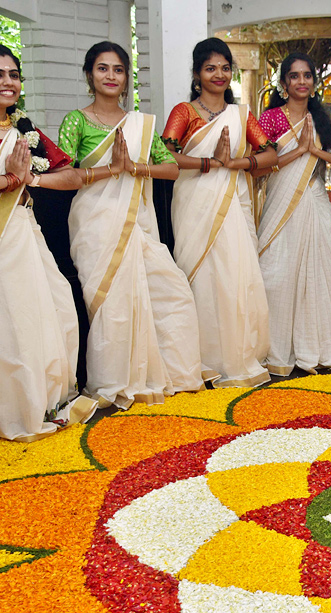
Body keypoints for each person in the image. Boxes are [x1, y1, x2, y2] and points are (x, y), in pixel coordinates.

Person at [0, 43, 97, 440]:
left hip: (23, 231)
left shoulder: (24, 129)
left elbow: (72, 176)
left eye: (13, 75)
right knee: (0, 319)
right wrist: (3, 180)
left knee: (49, 307)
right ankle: (9, 410)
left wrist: (31, 179)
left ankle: (47, 401)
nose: (7, 82)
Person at [58, 41, 207, 408]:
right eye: (102, 68)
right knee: (114, 303)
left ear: (126, 79)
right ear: (90, 75)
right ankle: (115, 381)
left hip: (138, 223)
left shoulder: (139, 124)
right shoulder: (75, 121)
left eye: (118, 70)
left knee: (173, 292)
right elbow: (66, 172)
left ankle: (171, 372)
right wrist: (109, 169)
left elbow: (170, 169)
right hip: (96, 222)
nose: (110, 76)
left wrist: (134, 168)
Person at [163, 37, 277, 388]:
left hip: (233, 202)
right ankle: (200, 356)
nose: (219, 74)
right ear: (197, 74)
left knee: (236, 273)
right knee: (201, 275)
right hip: (194, 203)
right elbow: (164, 156)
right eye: (210, 68)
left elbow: (270, 154)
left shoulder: (241, 114)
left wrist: (237, 163)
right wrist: (210, 163)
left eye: (225, 68)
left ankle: (236, 354)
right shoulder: (184, 112)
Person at [255, 53, 331, 375]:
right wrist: (297, 152)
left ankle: (319, 349)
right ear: (284, 83)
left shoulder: (324, 121)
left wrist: (316, 152)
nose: (301, 81)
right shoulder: (270, 119)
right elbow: (256, 164)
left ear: (314, 82)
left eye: (307, 76)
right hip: (280, 204)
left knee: (324, 273)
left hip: (314, 201)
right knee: (275, 273)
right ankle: (276, 351)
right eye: (295, 76)